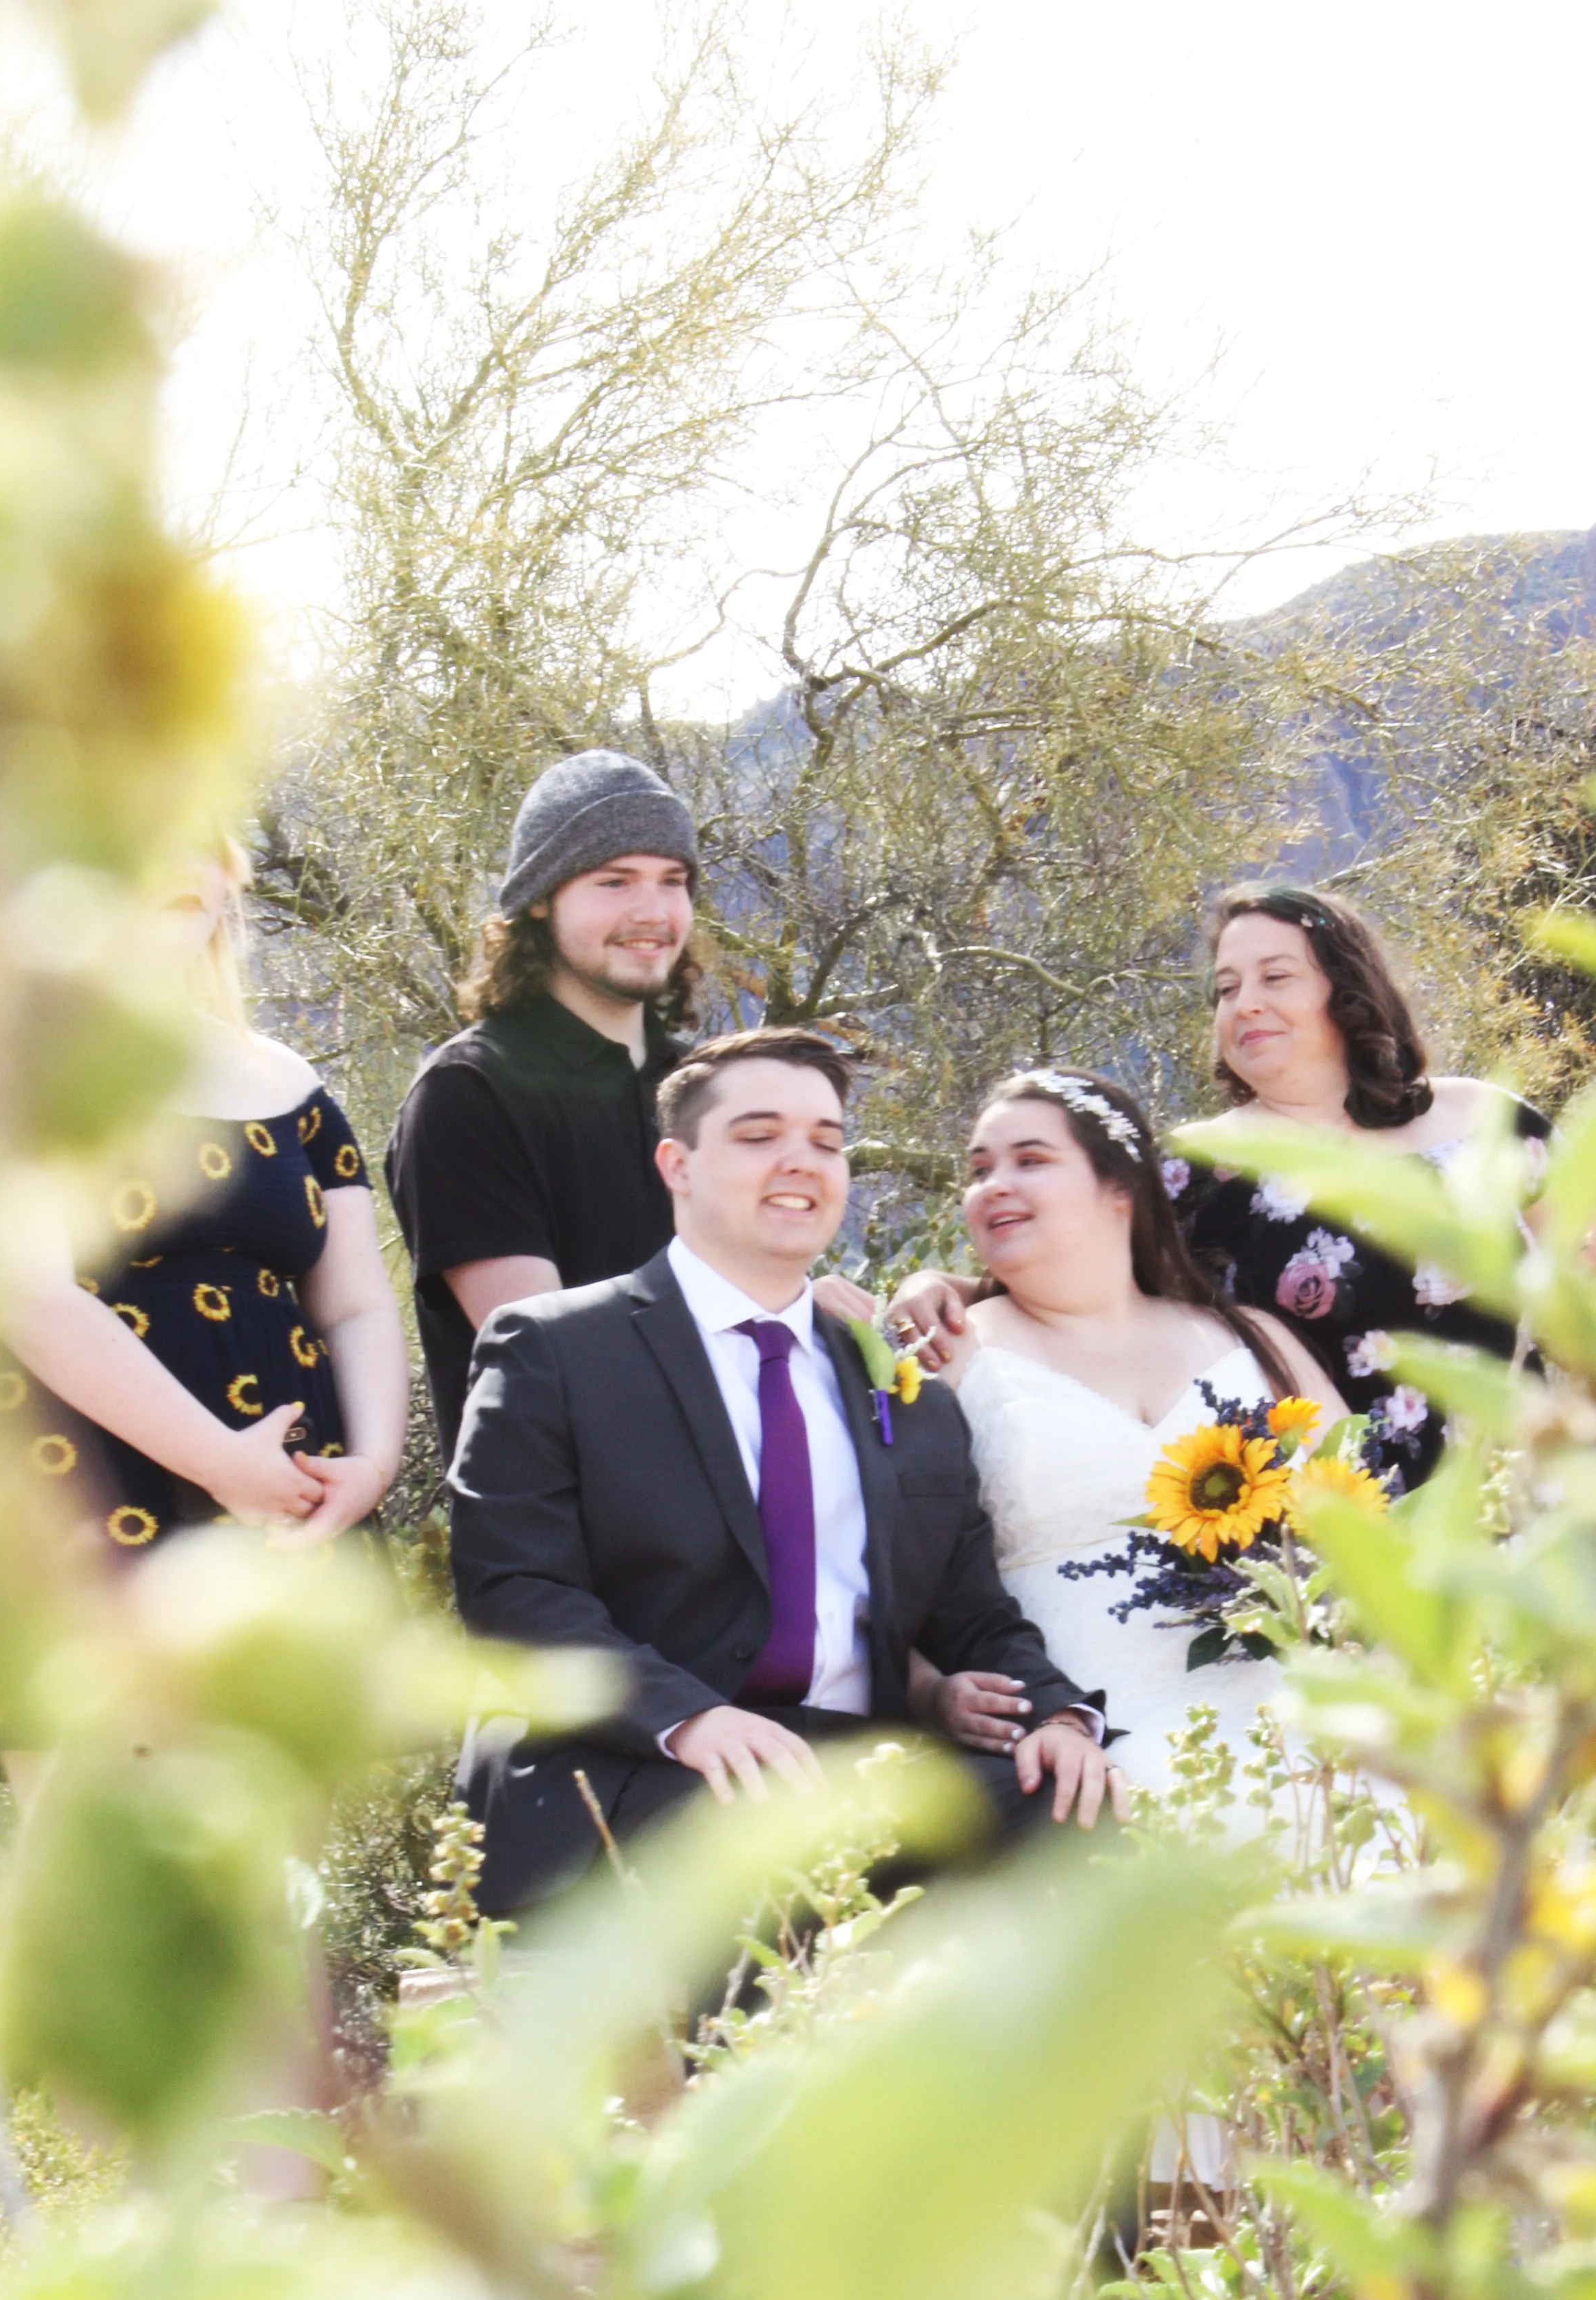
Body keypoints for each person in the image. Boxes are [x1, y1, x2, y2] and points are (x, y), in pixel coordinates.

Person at [448, 1030, 1124, 1915]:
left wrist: (1060, 1717)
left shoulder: (903, 1387)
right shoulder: (554, 1347)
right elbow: (515, 1590)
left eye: (826, 1140)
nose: (799, 1163)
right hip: (638, 1760)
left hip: (853, 1763)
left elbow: (975, 1615)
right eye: (759, 1136)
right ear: (677, 1165)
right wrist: (691, 1718)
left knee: (1071, 1808)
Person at [890, 888, 1550, 1490]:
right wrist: (940, 1289)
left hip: (1540, 1497)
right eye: (1226, 989)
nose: (1246, 1003)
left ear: (1347, 989)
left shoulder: (1486, 1120)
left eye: (1276, 977)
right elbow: (1079, 1291)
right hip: (1358, 1541)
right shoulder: (1195, 1170)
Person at [387, 749, 873, 1474]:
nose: (651, 912)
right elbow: (551, 1358)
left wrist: (818, 1315)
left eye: (671, 881)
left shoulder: (708, 1086)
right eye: (614, 881)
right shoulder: (468, 1093)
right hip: (573, 1544)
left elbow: (755, 1295)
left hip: (754, 1507)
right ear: (541, 898)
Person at [916, 1068, 1342, 1795]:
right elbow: (876, 1578)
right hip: (1078, 1741)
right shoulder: (944, 1352)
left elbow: (1363, 1514)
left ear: (1121, 1187)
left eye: (1031, 1160)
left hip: (1306, 1720)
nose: (993, 1185)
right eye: (979, 1170)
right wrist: (929, 1691)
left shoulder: (1250, 1339)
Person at [3, 846, 409, 1554]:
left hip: (303, 1498)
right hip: (91, 1494)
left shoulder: (290, 1083)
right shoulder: (10, 1063)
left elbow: (356, 1305)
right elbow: (28, 1295)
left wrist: (370, 1466)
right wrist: (219, 1462)